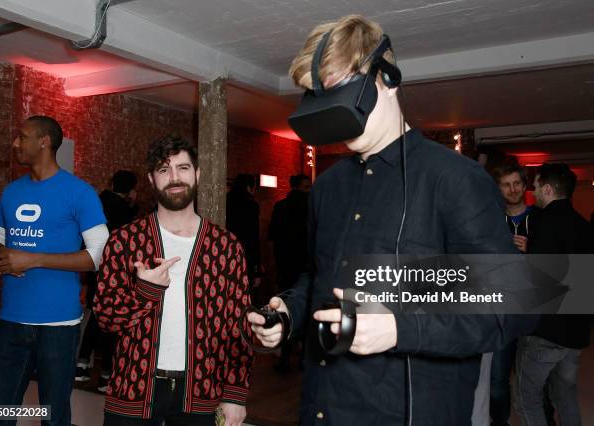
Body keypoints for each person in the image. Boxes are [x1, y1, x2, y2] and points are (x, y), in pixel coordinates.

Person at [247, 15, 536, 425]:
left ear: (387, 79)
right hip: (325, 406)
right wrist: (289, 313)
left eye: (339, 90)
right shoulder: (327, 188)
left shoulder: (455, 180)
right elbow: (319, 277)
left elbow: (513, 305)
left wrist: (401, 329)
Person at [93, 136, 253, 426]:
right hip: (133, 389)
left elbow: (238, 325)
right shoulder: (125, 241)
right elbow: (105, 318)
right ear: (152, 180)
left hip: (203, 391)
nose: (175, 177)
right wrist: (145, 292)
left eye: (183, 168)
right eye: (164, 170)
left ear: (197, 174)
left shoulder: (225, 246)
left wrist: (235, 394)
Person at [0, 115, 109, 425]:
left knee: (53, 415)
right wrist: (0, 253)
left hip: (58, 325)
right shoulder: (12, 192)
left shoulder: (79, 192)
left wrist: (34, 259)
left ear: (44, 142)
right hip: (11, 321)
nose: (16, 143)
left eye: (23, 136)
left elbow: (98, 255)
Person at [514, 163, 593, 426]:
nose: (532, 192)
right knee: (565, 396)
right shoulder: (583, 225)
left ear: (547, 189)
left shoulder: (543, 222)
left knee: (527, 398)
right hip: (576, 331)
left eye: (534, 186)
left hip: (546, 330)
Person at [76, 170, 139, 392]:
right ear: (130, 189)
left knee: (96, 314)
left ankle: (82, 365)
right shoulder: (123, 210)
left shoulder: (98, 201)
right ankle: (106, 376)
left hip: (94, 265)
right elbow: (125, 241)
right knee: (111, 321)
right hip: (114, 270)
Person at [489, 164, 535, 426]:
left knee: (536, 380)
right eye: (506, 184)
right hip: (502, 312)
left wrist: (534, 249)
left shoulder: (539, 219)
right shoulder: (491, 221)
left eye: (516, 183)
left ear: (525, 186)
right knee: (498, 379)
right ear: (498, 189)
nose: (513, 189)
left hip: (534, 311)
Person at [268, 174, 311, 372]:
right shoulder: (313, 206)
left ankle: (284, 357)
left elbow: (273, 237)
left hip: (286, 264)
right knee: (308, 309)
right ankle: (304, 357)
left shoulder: (280, 206)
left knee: (285, 308)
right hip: (307, 265)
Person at [226, 173, 262, 301]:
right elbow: (253, 237)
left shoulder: (225, 201)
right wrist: (257, 269)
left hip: (225, 253)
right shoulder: (251, 205)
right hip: (245, 255)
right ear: (249, 187)